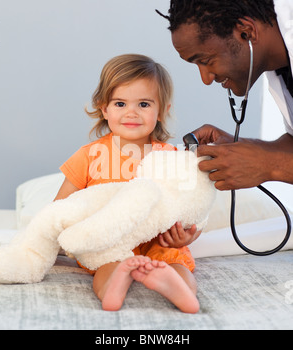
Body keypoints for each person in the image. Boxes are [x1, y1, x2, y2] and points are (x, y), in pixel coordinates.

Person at [54, 54, 200, 313]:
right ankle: (113, 285)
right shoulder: (89, 155)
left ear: (162, 111)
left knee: (177, 262)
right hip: (110, 241)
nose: (131, 112)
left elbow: (190, 205)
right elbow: (60, 208)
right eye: (120, 103)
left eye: (144, 104)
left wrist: (186, 234)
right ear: (104, 109)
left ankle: (180, 289)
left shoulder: (172, 157)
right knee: (107, 264)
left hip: (159, 240)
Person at [157, 0, 293, 191]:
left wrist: (269, 165)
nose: (206, 79)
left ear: (246, 32)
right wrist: (244, 149)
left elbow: (276, 163)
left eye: (206, 61)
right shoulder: (280, 66)